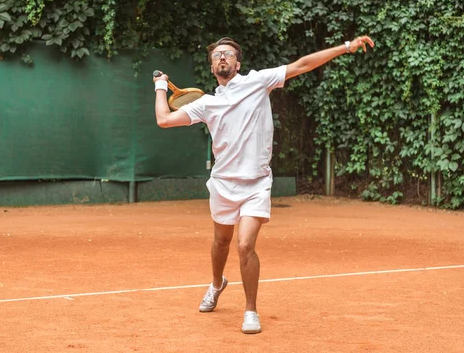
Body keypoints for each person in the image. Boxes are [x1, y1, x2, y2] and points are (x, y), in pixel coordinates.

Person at [153, 35, 375, 334]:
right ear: (211, 67)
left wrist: (346, 47)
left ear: (238, 63)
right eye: (217, 55)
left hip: (256, 183)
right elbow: (164, 120)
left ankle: (250, 310)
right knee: (221, 241)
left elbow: (302, 65)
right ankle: (217, 283)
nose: (222, 58)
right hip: (222, 183)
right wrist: (159, 87)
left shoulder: (258, 82)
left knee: (245, 245)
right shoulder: (206, 104)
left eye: (228, 54)